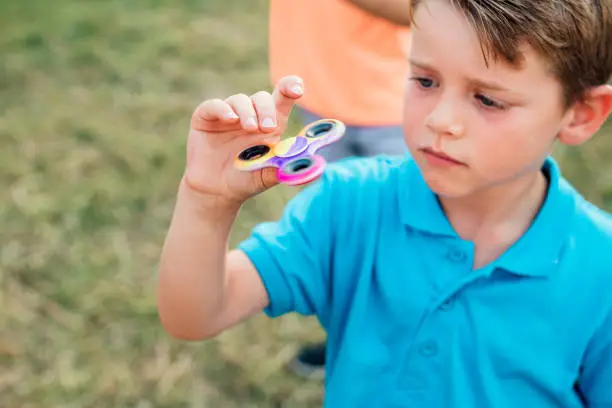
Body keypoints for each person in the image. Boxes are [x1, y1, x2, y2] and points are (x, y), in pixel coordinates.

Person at [157, 0, 612, 406]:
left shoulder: (601, 269)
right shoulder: (349, 204)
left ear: (581, 114)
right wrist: (205, 202)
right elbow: (196, 315)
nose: (440, 120)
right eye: (425, 79)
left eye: (488, 99)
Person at [267, 0, 413, 378]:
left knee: (402, 245)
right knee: (337, 240)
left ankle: (407, 352)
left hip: (390, 108)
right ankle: (354, 341)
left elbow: (423, 8)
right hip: (316, 94)